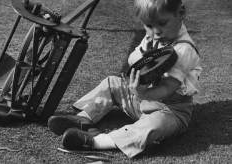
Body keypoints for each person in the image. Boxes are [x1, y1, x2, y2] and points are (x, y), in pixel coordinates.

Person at [47, 0, 202, 158]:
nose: (156, 32)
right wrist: (143, 58)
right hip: (142, 100)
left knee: (156, 124)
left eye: (162, 23)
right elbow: (132, 60)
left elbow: (168, 87)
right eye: (149, 26)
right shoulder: (154, 37)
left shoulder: (184, 50)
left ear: (181, 13)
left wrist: (143, 94)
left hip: (171, 110)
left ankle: (98, 141)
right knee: (112, 82)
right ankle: (83, 118)